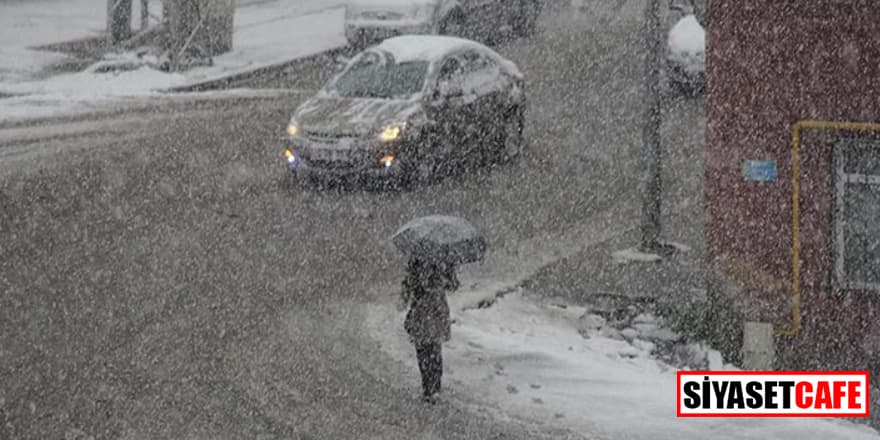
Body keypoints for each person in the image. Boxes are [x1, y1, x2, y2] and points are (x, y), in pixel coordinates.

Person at [398, 257, 459, 403]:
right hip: (435, 310)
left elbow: (408, 286)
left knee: (425, 351)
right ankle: (434, 388)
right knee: (433, 350)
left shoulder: (416, 260)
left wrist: (407, 295)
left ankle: (429, 388)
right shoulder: (444, 259)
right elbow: (453, 285)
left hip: (424, 311)